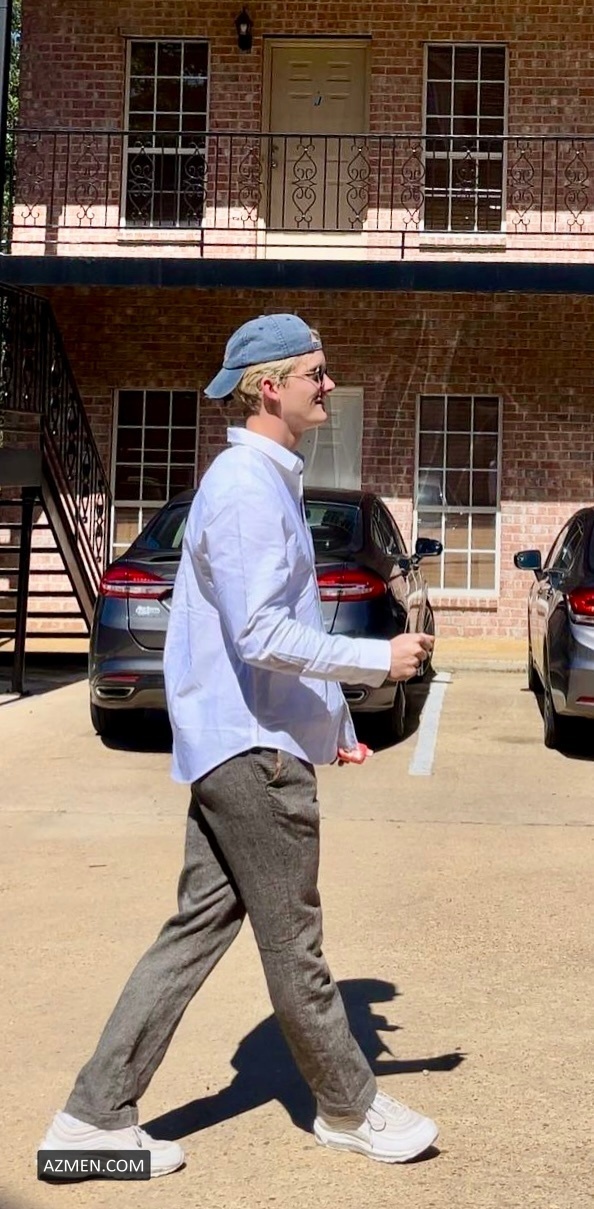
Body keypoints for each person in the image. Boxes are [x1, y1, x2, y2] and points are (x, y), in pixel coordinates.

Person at [39, 314, 437, 1179]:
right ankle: (349, 1107)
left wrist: (333, 727)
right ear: (269, 386)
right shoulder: (248, 488)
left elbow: (264, 627)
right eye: (314, 372)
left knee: (193, 931)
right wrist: (379, 659)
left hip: (245, 743)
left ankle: (91, 1116)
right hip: (254, 758)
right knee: (295, 943)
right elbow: (261, 632)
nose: (327, 385)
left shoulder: (256, 481)